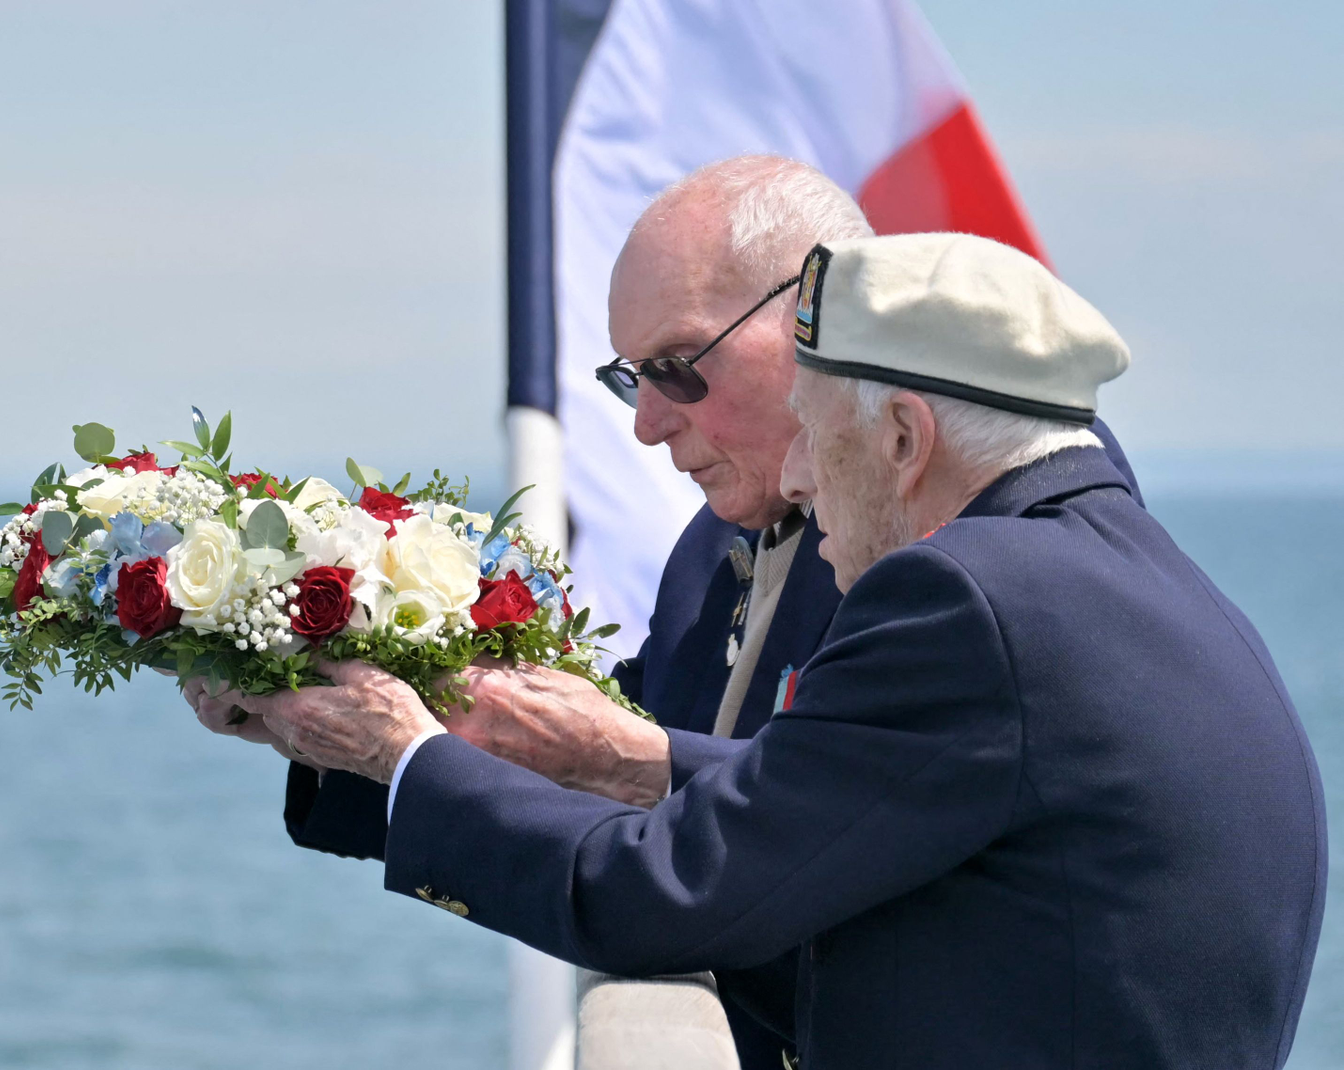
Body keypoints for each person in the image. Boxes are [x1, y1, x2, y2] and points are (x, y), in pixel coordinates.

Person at [222, 232, 1325, 1068]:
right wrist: (623, 754)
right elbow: (854, 799)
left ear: (902, 439)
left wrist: (406, 751)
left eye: (817, 438)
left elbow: (670, 890)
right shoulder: (1119, 572)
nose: (793, 483)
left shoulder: (963, 597)